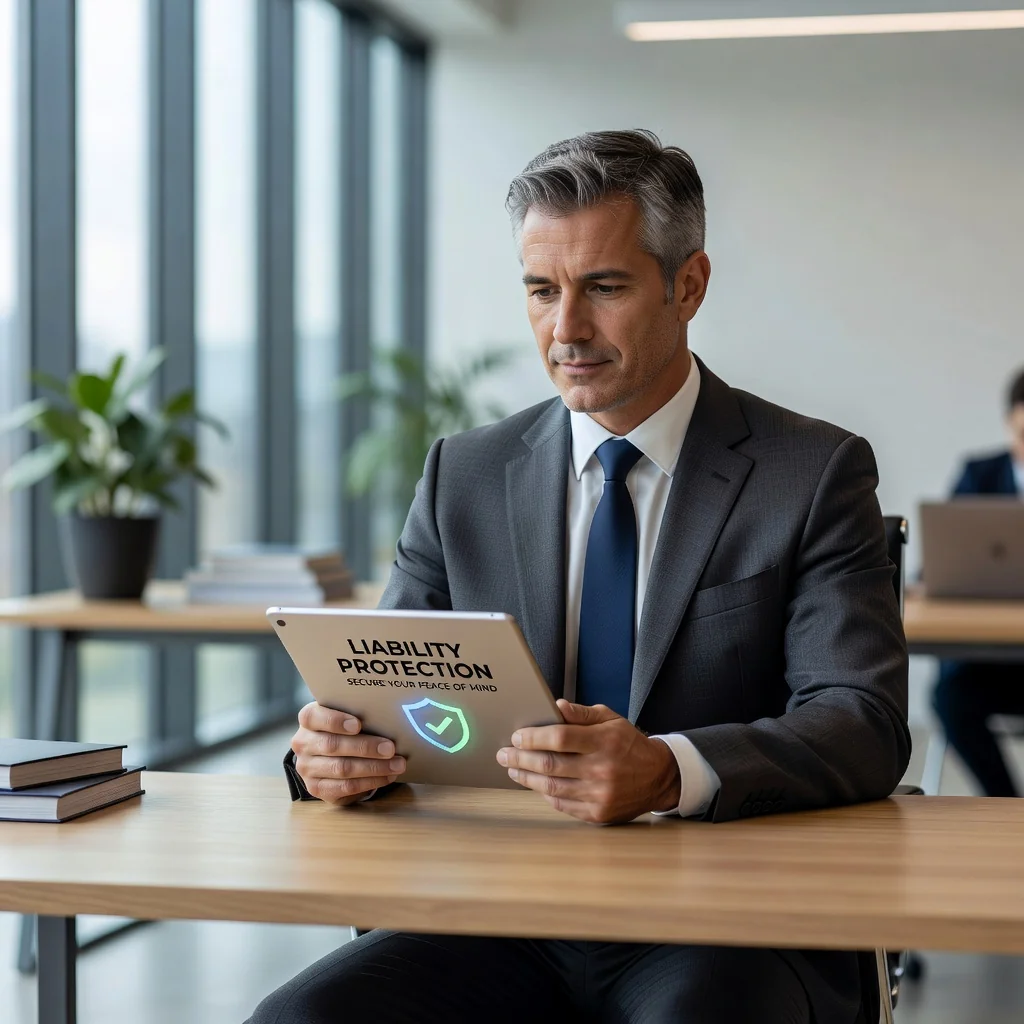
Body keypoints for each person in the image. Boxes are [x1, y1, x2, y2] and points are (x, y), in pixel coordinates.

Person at [249, 130, 910, 1024]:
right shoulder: (464, 474)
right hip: (492, 909)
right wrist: (332, 758)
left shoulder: (813, 471)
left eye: (603, 287)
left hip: (724, 915)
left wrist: (669, 772)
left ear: (689, 286)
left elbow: (860, 721)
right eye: (540, 290)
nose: (566, 330)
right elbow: (381, 689)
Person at [931, 369, 1024, 797]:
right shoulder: (980, 474)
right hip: (995, 661)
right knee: (951, 696)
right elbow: (945, 562)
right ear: (1009, 423)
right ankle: (1008, 805)